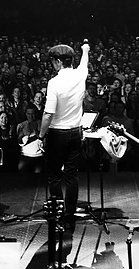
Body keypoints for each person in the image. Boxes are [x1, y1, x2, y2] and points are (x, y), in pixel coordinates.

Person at [37, 40, 90, 231]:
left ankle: (56, 210)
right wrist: (85, 49)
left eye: (52, 61)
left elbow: (48, 113)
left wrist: (41, 136)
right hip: (76, 132)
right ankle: (69, 214)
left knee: (53, 175)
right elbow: (84, 62)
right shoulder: (80, 75)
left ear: (58, 62)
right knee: (71, 175)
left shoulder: (54, 83)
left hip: (57, 134)